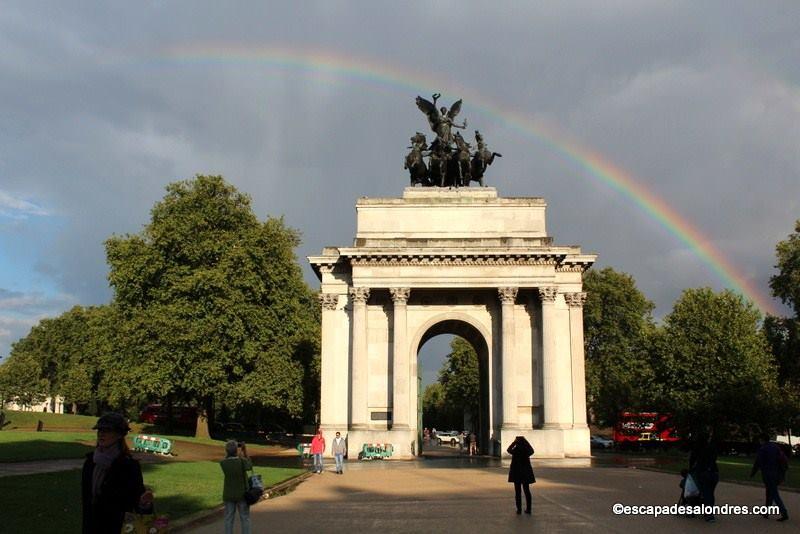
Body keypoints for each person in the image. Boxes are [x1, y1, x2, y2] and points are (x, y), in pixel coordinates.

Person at [81, 412, 153, 534]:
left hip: (117, 528)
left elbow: (138, 501)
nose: (101, 434)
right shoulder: (90, 462)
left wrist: (144, 503)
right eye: (99, 430)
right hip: (92, 527)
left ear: (119, 434)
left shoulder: (129, 466)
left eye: (107, 430)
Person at [750, 434, 789, 521]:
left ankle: (784, 513)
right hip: (776, 473)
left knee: (774, 494)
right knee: (770, 493)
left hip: (768, 474)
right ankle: (766, 512)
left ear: (762, 440)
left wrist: (752, 473)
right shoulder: (775, 447)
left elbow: (758, 462)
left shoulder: (763, 449)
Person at [220, 440, 252, 534]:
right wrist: (244, 451)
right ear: (236, 451)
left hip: (228, 494)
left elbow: (226, 458)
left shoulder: (223, 463)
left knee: (228, 518)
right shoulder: (241, 462)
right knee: (245, 518)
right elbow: (249, 466)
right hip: (242, 494)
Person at [689, 433, 719, 522]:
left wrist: (691, 469)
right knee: (711, 493)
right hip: (714, 473)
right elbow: (714, 458)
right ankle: (709, 512)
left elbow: (692, 460)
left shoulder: (697, 448)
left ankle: (708, 514)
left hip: (703, 473)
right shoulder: (711, 447)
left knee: (705, 493)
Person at [507, 436, 535, 515]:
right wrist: (526, 442)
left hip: (517, 473)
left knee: (518, 492)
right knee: (527, 491)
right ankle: (528, 508)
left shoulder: (516, 450)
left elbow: (508, 450)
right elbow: (532, 451)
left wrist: (514, 443)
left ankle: (519, 509)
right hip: (525, 472)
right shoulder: (526, 450)